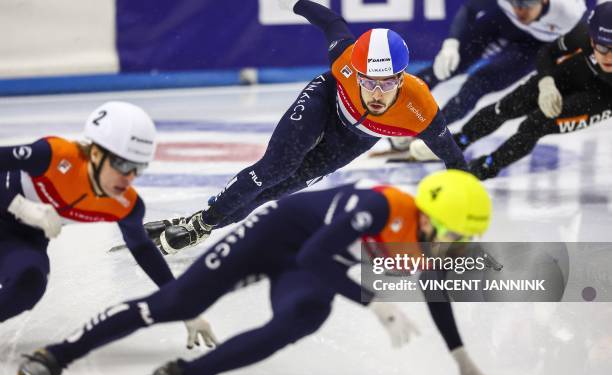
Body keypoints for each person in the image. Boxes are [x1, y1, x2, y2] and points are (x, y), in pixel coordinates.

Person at [1, 170, 513, 375]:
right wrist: (372, 300)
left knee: (300, 320)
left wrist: (462, 357)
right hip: (274, 238)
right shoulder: (381, 208)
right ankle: (57, 357)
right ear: (430, 217)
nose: (457, 244)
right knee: (175, 303)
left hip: (307, 264)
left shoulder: (428, 239)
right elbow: (314, 253)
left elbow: (436, 291)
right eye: (455, 234)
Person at [144, 0, 469, 255]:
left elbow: (455, 161)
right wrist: (295, 2)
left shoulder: (421, 109)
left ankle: (199, 221)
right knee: (276, 168)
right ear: (355, 73)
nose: (376, 94)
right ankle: (202, 223)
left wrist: (459, 212)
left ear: (402, 78)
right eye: (368, 82)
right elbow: (331, 23)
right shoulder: (345, 58)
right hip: (326, 100)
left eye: (387, 84)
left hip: (354, 140)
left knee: (270, 193)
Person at [0, 101, 215, 345]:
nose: (129, 177)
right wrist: (19, 205)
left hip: (19, 240)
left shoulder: (126, 204)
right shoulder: (54, 156)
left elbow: (143, 249)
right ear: (95, 153)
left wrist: (182, 304)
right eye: (122, 164)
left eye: (138, 168)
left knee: (30, 282)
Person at [384, 0, 587, 159]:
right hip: (501, 22)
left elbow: (584, 48)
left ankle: (427, 131)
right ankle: (390, 111)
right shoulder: (512, 8)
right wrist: (451, 44)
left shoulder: (569, 12)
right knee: (442, 68)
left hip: (534, 46)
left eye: (525, 4)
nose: (519, 10)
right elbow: (470, 8)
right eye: (514, 2)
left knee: (477, 85)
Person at [454, 2, 612, 180]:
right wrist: (546, 82)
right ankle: (460, 140)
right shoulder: (583, 33)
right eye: (603, 47)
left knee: (535, 125)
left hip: (604, 96)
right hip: (573, 73)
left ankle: (488, 165)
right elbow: (547, 52)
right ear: (591, 39)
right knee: (507, 107)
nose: (609, 57)